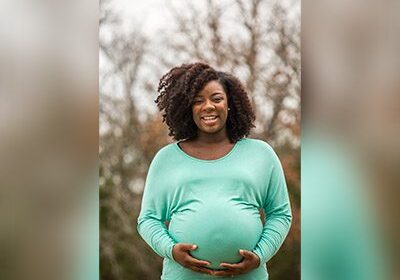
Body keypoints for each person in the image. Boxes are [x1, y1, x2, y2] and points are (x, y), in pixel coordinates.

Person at [137, 62, 292, 279]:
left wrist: (259, 256)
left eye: (216, 98)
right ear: (187, 108)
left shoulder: (261, 154)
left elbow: (280, 213)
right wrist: (171, 250)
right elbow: (148, 219)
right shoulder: (166, 159)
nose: (208, 106)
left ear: (230, 104)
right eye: (198, 101)